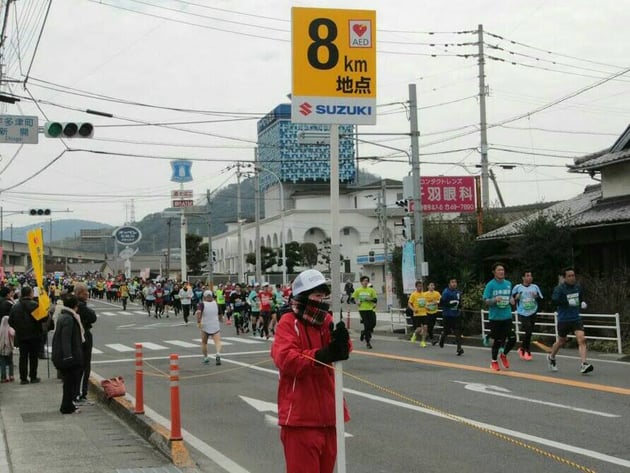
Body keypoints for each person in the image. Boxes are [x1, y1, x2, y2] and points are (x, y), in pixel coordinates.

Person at [270, 269, 351, 473]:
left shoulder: (326, 321)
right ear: (302, 297)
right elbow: (286, 359)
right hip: (300, 420)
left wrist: (343, 342)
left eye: (323, 295)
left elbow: (340, 349)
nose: (321, 300)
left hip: (330, 417)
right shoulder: (288, 323)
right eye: (316, 295)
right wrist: (321, 355)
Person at [548, 268, 593, 374]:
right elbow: (554, 301)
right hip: (564, 319)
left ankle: (584, 364)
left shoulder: (578, 287)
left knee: (582, 339)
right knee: (561, 341)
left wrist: (583, 302)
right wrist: (567, 302)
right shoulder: (559, 289)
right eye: (569, 276)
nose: (572, 278)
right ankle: (551, 357)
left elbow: (580, 297)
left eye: (573, 275)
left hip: (576, 318)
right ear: (564, 278)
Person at [51, 294, 85, 414]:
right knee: (70, 382)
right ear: (75, 306)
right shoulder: (69, 318)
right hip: (67, 357)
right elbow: (66, 339)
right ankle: (66, 406)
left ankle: (68, 404)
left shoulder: (64, 316)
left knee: (69, 382)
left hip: (64, 355)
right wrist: (68, 356)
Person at [482, 263, 514, 371]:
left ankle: (503, 354)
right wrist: (494, 300)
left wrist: (512, 300)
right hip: (495, 317)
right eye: (499, 270)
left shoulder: (509, 284)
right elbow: (486, 300)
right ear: (494, 272)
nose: (501, 272)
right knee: (497, 340)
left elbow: (510, 298)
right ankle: (494, 361)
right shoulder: (490, 285)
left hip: (507, 316)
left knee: (513, 338)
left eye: (503, 270)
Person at [8, 286, 41, 384]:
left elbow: (11, 321)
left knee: (23, 357)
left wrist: (17, 328)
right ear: (30, 293)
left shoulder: (15, 306)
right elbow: (41, 319)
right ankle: (33, 376)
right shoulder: (35, 305)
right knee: (33, 357)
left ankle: (23, 378)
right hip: (34, 334)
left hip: (21, 335)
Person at [511, 270, 543, 361]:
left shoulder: (535, 287)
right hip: (522, 311)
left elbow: (540, 297)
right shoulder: (518, 287)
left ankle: (522, 348)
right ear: (523, 277)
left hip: (533, 310)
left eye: (531, 275)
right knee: (528, 329)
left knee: (530, 331)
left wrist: (535, 296)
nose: (530, 277)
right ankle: (527, 351)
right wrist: (516, 297)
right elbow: (512, 298)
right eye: (528, 275)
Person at [74, 282, 97, 404]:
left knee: (79, 365)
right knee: (85, 365)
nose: (87, 294)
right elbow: (93, 317)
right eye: (84, 292)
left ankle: (77, 392)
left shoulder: (73, 304)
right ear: (78, 294)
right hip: (84, 336)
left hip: (76, 336)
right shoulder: (81, 306)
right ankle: (82, 393)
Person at [196, 290, 222, 365]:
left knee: (204, 342)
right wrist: (220, 319)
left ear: (204, 297)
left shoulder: (202, 304)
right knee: (217, 341)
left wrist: (198, 321)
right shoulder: (216, 303)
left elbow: (198, 312)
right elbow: (220, 314)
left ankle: (206, 357)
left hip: (205, 325)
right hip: (215, 325)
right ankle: (218, 353)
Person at [439, 277, 464, 356]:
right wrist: (450, 304)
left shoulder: (458, 292)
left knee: (457, 331)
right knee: (447, 331)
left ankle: (459, 348)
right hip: (447, 315)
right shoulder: (446, 292)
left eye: (455, 282)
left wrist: (460, 307)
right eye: (452, 282)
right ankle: (442, 337)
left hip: (456, 315)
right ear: (449, 284)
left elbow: (459, 302)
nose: (454, 284)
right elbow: (441, 303)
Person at [352, 276, 378, 349]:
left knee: (373, 323)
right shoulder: (358, 290)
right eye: (364, 281)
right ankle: (368, 342)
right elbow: (352, 299)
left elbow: (375, 300)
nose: (365, 282)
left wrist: (370, 299)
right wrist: (357, 302)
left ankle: (363, 332)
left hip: (371, 309)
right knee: (366, 325)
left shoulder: (371, 290)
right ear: (361, 282)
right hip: (362, 310)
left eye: (366, 281)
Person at [408, 280, 429, 347]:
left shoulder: (424, 294)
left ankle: (423, 342)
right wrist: (413, 309)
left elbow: (425, 303)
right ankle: (414, 334)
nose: (420, 287)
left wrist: (427, 307)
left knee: (425, 327)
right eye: (419, 286)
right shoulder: (413, 294)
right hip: (417, 314)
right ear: (416, 287)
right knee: (419, 329)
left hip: (424, 313)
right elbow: (409, 303)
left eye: (421, 286)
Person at [0, 315, 16, 382]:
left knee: (2, 363)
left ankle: (3, 377)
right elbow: (13, 333)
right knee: (10, 362)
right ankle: (11, 376)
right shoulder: (10, 328)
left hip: (1, 348)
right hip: (9, 348)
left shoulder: (0, 329)